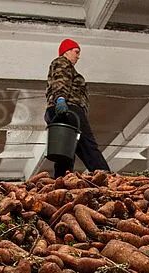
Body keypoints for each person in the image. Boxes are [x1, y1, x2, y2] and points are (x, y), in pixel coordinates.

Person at [45, 38, 110, 178]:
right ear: (66, 51)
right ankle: (107, 178)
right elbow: (60, 80)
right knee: (88, 145)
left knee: (66, 151)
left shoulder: (64, 65)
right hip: (68, 109)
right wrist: (60, 99)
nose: (78, 56)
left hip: (60, 110)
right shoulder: (62, 62)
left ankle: (61, 180)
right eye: (76, 52)